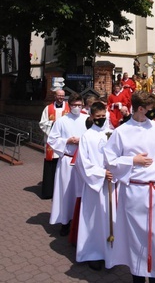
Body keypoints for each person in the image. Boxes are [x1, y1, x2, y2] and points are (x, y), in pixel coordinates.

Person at [104, 91, 155, 283]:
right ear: (140, 109)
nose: (154, 113)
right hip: (134, 193)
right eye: (150, 110)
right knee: (137, 241)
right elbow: (110, 160)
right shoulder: (121, 132)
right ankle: (138, 279)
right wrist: (132, 160)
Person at [75, 101, 117, 270]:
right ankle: (93, 253)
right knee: (93, 220)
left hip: (111, 184)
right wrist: (101, 173)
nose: (100, 119)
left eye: (103, 116)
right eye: (97, 117)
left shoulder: (112, 133)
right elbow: (82, 163)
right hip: (95, 186)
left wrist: (114, 170)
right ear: (91, 116)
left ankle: (111, 253)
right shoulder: (87, 136)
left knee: (110, 218)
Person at [48, 93, 89, 236]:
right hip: (66, 160)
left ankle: (79, 222)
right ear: (69, 105)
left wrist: (82, 140)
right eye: (74, 105)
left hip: (82, 161)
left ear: (83, 105)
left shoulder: (87, 120)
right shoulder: (62, 121)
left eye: (79, 105)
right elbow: (52, 140)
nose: (77, 108)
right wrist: (67, 141)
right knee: (66, 192)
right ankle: (65, 221)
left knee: (81, 192)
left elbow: (94, 137)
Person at [39, 89, 68, 199]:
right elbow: (42, 123)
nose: (61, 97)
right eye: (59, 95)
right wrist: (53, 124)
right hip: (51, 141)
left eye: (62, 96)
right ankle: (49, 192)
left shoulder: (68, 108)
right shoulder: (48, 108)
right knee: (51, 165)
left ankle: (62, 191)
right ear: (55, 96)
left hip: (64, 141)